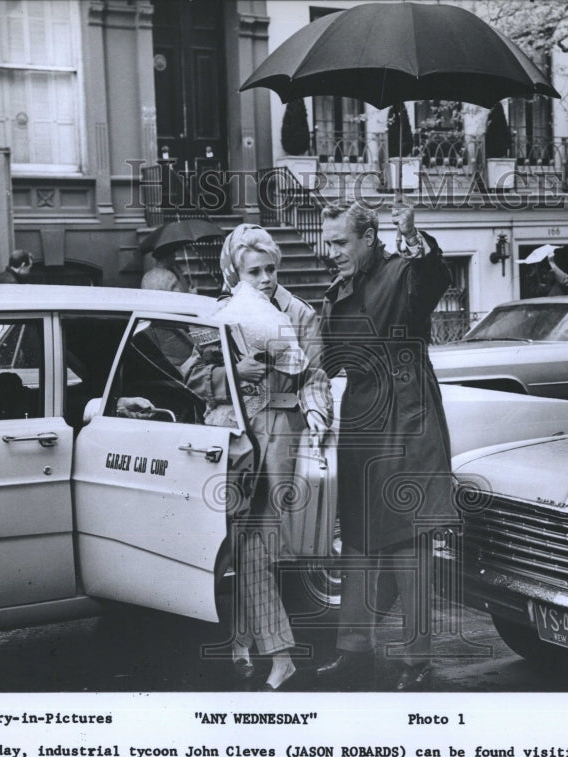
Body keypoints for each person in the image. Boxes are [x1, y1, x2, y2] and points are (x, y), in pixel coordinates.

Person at [166, 224, 332, 690]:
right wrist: (233, 373)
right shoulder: (219, 313)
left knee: (253, 544)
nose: (265, 278)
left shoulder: (299, 312)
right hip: (233, 439)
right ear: (234, 271)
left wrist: (317, 411)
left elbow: (315, 374)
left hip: (280, 437)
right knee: (241, 544)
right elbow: (194, 377)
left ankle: (279, 654)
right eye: (254, 271)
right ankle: (245, 642)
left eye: (271, 268)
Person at [315, 201, 456, 692]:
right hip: (360, 419)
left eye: (339, 243)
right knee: (356, 538)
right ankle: (352, 651)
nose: (329, 252)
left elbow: (434, 280)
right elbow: (326, 357)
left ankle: (416, 662)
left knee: (406, 544)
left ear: (370, 236)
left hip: (405, 416)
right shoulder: (339, 288)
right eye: (328, 242)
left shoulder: (403, 272)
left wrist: (415, 239)